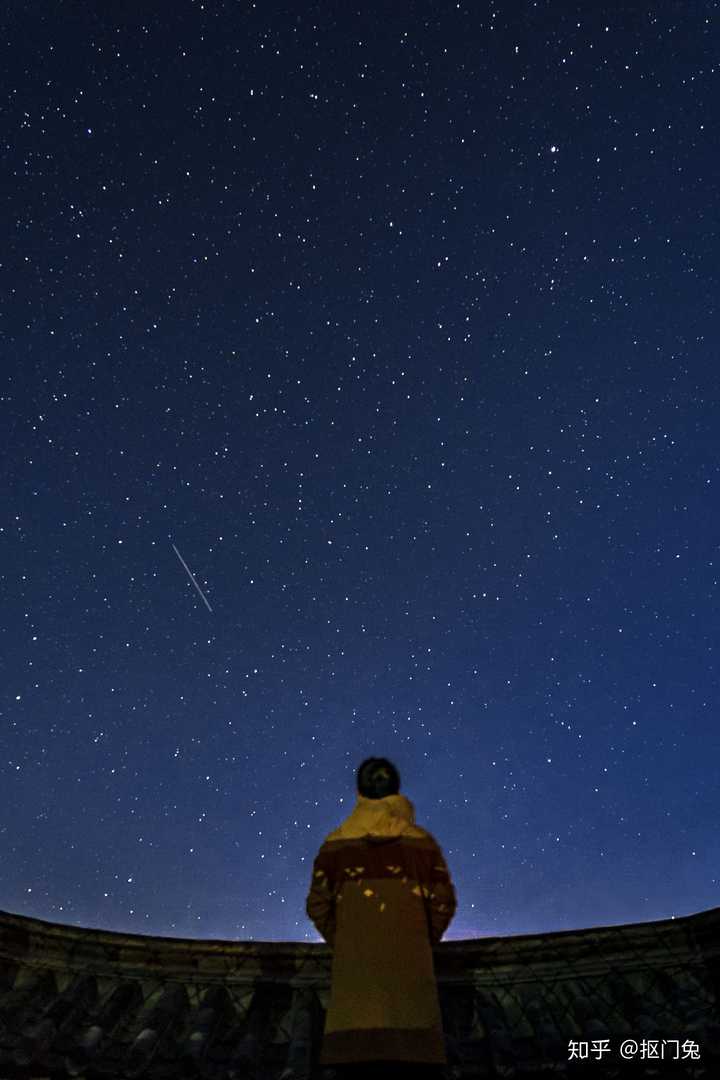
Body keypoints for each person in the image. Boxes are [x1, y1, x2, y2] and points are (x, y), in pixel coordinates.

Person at [306, 757, 457, 1079]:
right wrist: (419, 941)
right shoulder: (423, 844)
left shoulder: (334, 845)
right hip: (413, 1009)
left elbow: (317, 906)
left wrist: (346, 940)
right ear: (397, 790)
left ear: (359, 791)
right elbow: (443, 903)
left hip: (353, 1009)